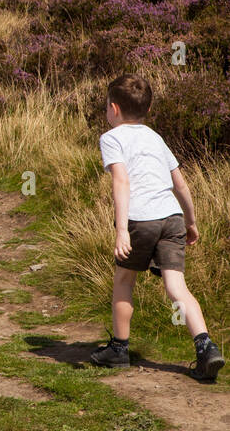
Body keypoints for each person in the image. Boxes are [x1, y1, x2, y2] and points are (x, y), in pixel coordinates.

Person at [90, 74, 224, 380]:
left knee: (124, 279)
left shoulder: (111, 138)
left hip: (141, 219)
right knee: (177, 287)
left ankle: (118, 349)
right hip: (172, 216)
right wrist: (190, 220)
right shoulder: (155, 137)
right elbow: (180, 182)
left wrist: (122, 229)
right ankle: (206, 347)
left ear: (113, 109)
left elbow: (121, 180)